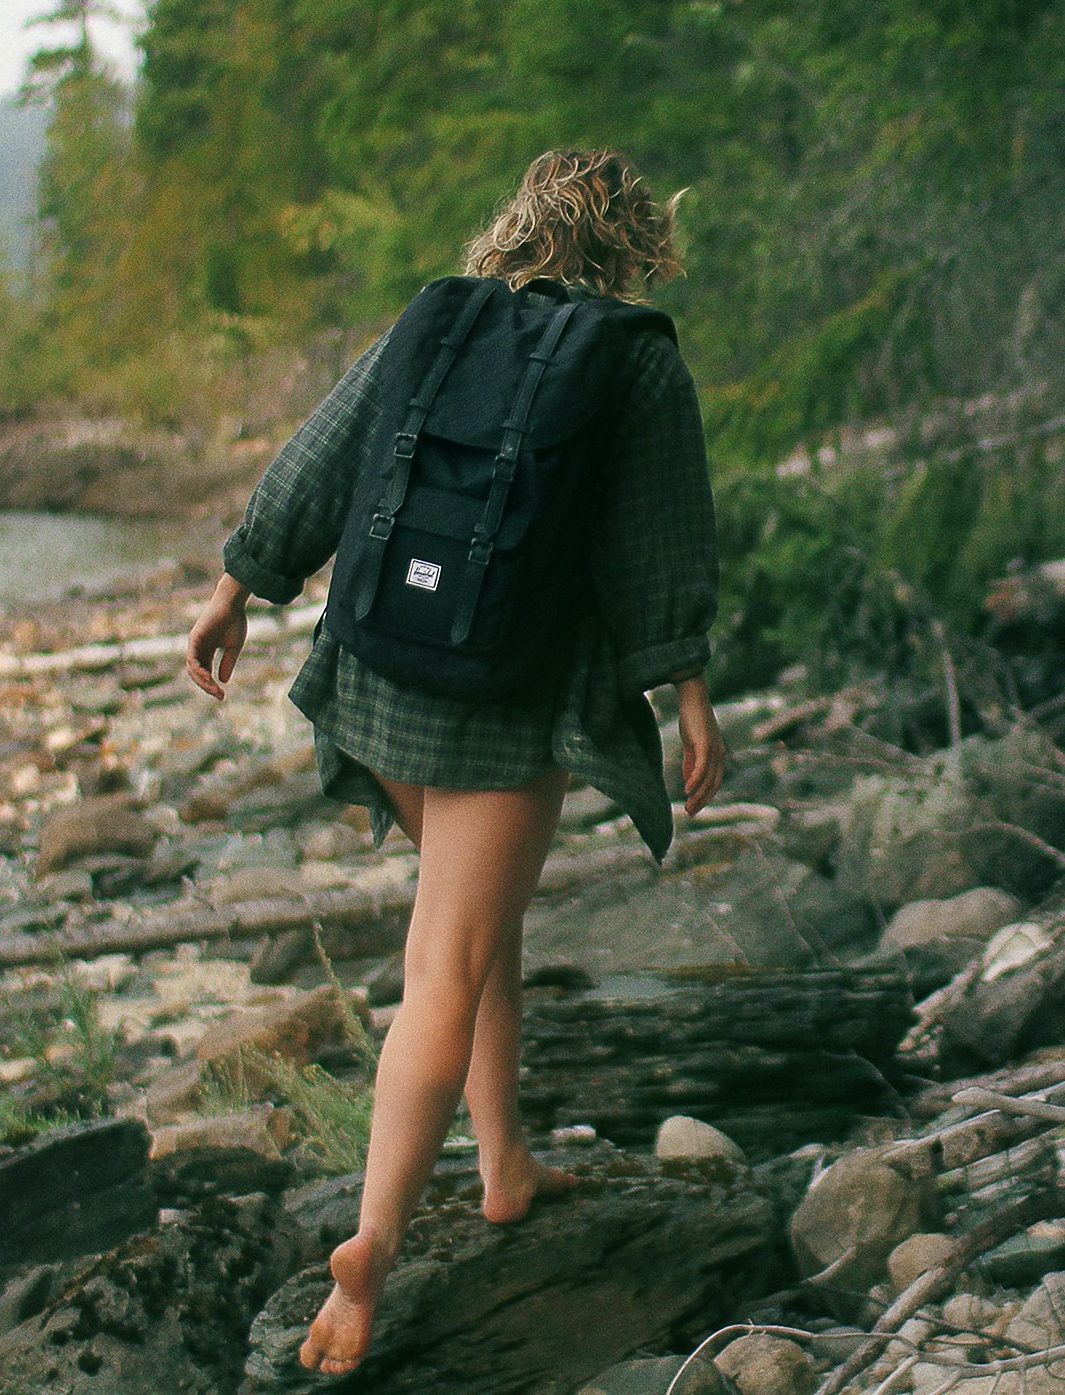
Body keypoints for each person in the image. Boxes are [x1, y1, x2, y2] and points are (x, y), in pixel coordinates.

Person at [182, 147, 727, 1379]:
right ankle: (370, 1248)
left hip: (386, 671)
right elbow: (662, 536)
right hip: (507, 691)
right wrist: (687, 687)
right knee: (447, 961)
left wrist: (237, 586)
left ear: (513, 228)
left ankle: (502, 1166)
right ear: (632, 243)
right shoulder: (634, 356)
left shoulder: (437, 320)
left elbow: (322, 456)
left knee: (483, 932)